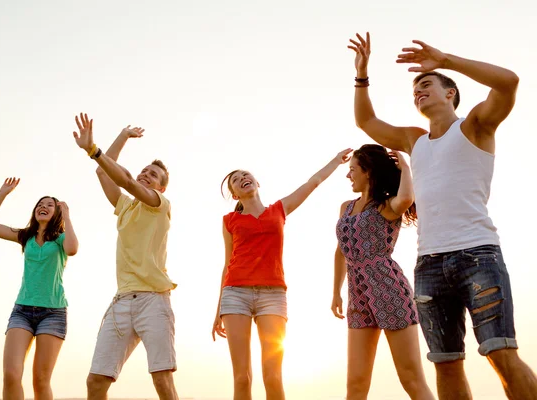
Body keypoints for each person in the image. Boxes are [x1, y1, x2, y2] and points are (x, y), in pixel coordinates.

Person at [348, 32, 537, 399]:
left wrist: (446, 61)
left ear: (450, 93)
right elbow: (366, 120)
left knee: (501, 353)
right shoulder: (414, 140)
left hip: (478, 255)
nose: (418, 90)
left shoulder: (475, 126)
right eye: (415, 88)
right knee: (446, 363)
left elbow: (509, 82)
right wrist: (362, 74)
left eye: (427, 84)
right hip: (429, 266)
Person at [212, 148, 353, 400]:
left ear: (257, 182)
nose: (242, 177)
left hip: (273, 295)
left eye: (246, 174)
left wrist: (335, 161)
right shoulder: (229, 220)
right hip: (235, 294)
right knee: (242, 377)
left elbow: (313, 183)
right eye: (236, 179)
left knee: (273, 377)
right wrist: (217, 310)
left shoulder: (278, 210)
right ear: (234, 193)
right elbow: (227, 264)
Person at [72, 113, 178, 400]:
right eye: (144, 170)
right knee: (95, 382)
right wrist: (122, 135)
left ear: (162, 187)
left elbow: (128, 181)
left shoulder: (159, 204)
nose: (145, 174)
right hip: (122, 301)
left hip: (154, 300)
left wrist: (94, 150)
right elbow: (104, 174)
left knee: (162, 382)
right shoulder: (125, 207)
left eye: (153, 175)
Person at [332, 145, 434, 400]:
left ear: (368, 171)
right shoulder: (345, 207)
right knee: (355, 384)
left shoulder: (386, 206)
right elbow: (340, 251)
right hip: (358, 296)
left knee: (411, 378)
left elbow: (407, 199)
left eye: (352, 169)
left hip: (388, 290)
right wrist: (336, 291)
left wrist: (405, 168)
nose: (348, 176)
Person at [0, 177, 79, 400]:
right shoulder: (26, 237)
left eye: (49, 205)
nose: (43, 207)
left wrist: (68, 217)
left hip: (53, 313)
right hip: (22, 311)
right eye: (40, 204)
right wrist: (2, 194)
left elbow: (72, 249)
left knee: (41, 380)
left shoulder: (61, 239)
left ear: (57, 213)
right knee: (11, 374)